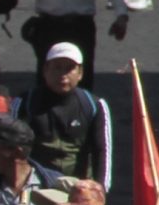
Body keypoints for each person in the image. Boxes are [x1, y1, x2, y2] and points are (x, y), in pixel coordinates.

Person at [21, 41, 109, 184]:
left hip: (78, 188)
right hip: (36, 186)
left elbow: (102, 151)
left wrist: (100, 189)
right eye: (57, 68)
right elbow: (13, 147)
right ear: (45, 70)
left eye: (69, 68)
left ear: (80, 73)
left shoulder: (94, 106)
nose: (63, 75)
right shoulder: (26, 103)